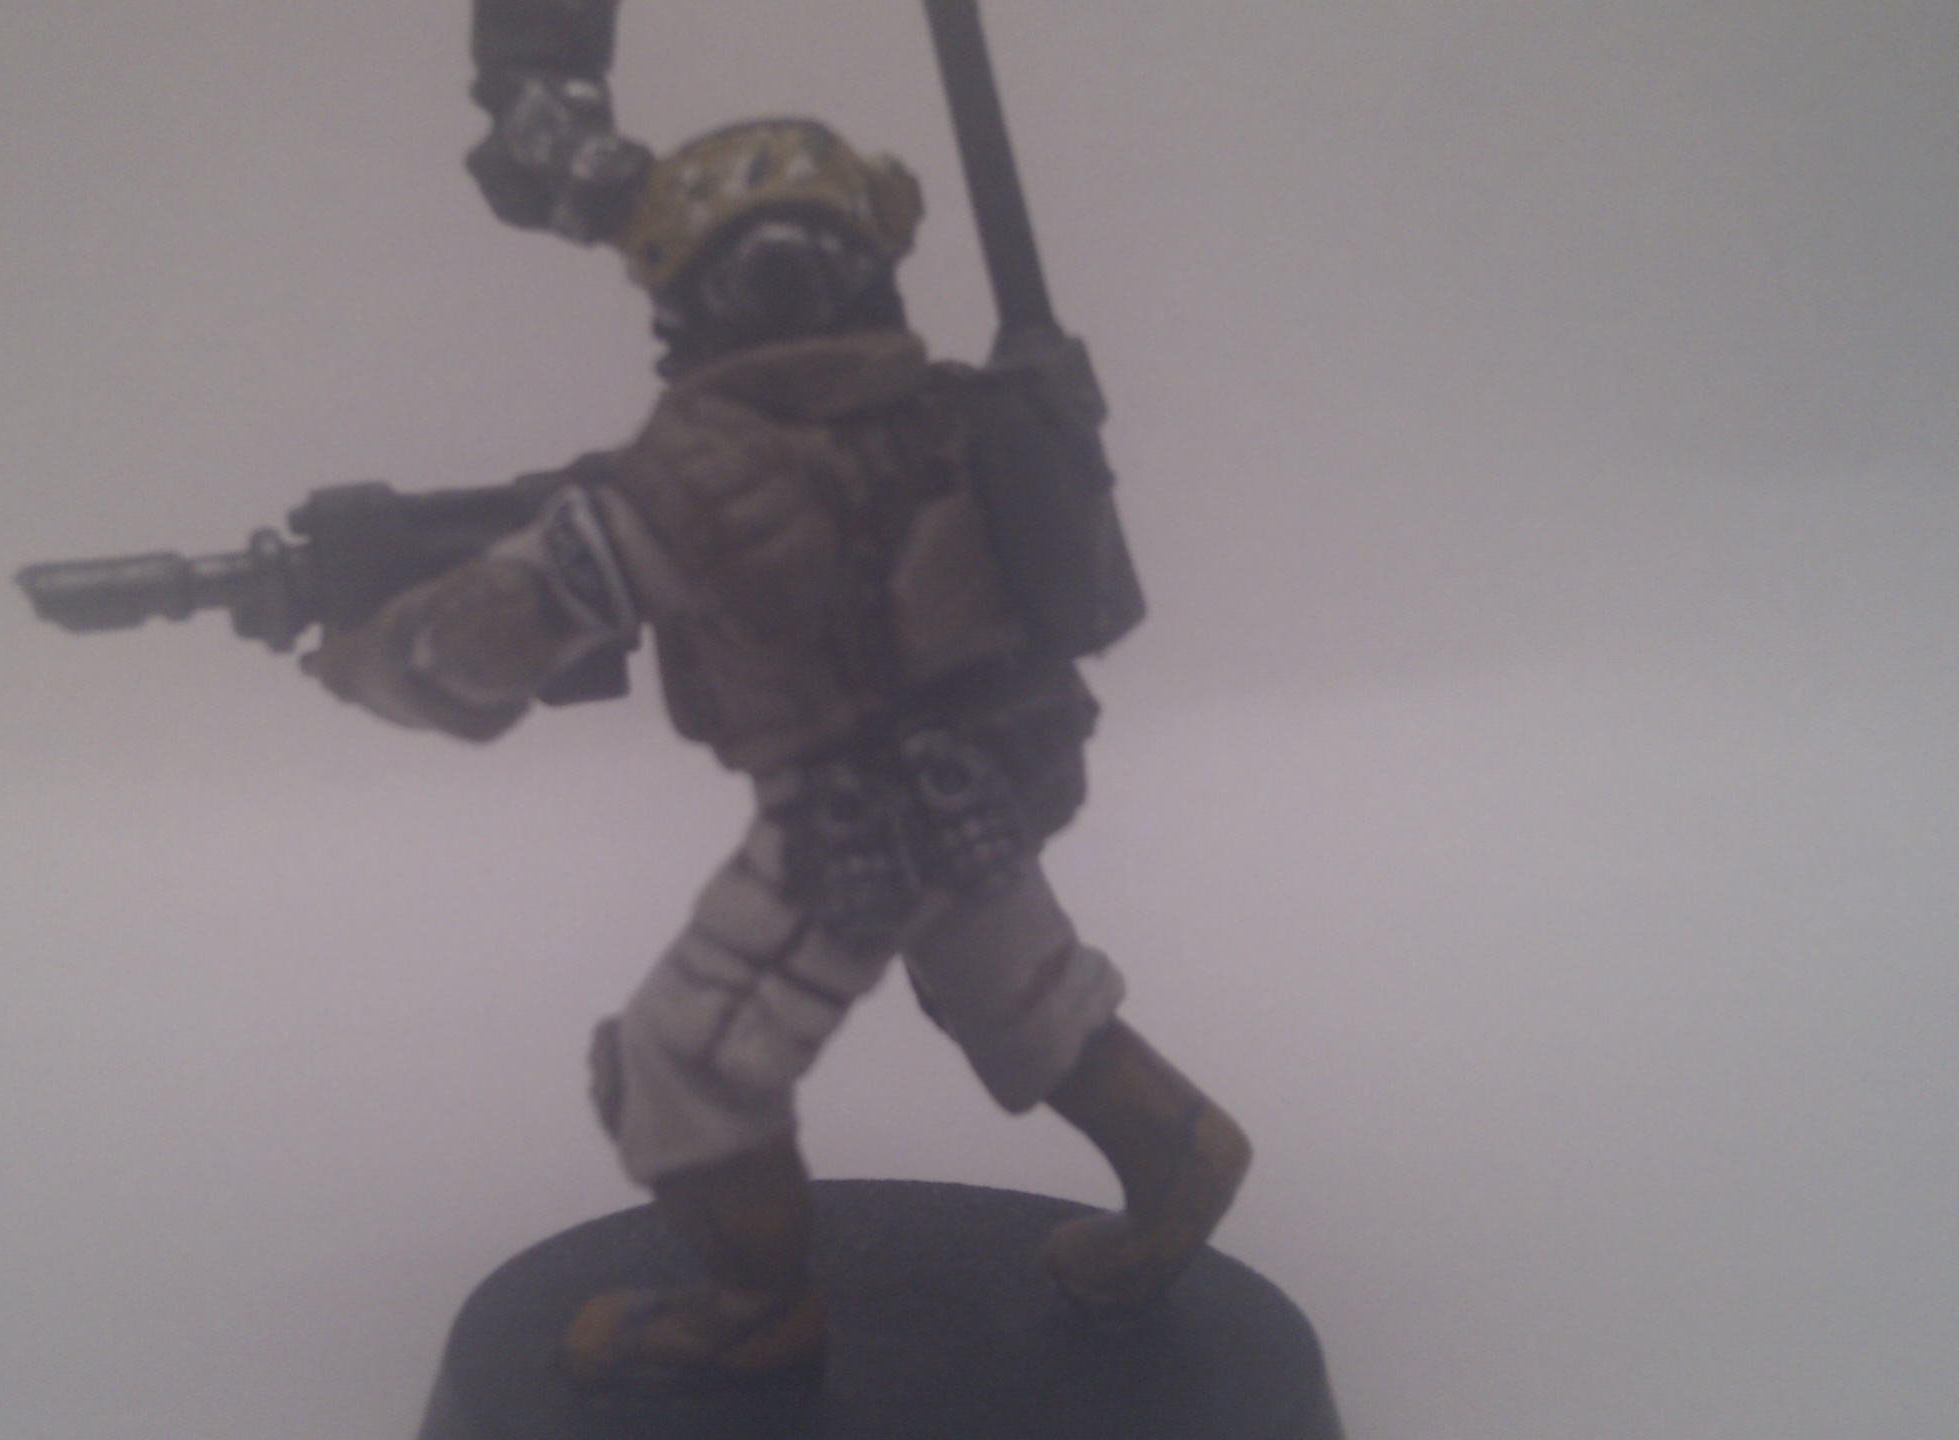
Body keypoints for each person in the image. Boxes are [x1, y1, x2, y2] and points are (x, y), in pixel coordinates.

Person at [307, 90, 1251, 1394]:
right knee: (1010, 989)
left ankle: (757, 1309)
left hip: (854, 817)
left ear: (691, 303)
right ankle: (1178, 1150)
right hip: (995, 773)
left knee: (681, 1064)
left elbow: (485, 647)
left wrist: (366, 654)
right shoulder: (941, 408)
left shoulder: (685, 477)